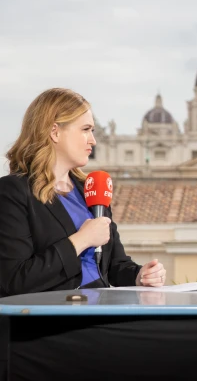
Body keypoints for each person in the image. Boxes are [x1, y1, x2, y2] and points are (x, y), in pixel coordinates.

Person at [0, 88, 166, 297]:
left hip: (101, 308)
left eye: (93, 131)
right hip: (54, 317)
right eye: (85, 129)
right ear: (55, 132)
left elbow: (116, 265)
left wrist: (140, 275)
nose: (92, 141)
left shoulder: (91, 189)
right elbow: (14, 280)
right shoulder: (12, 192)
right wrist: (81, 240)